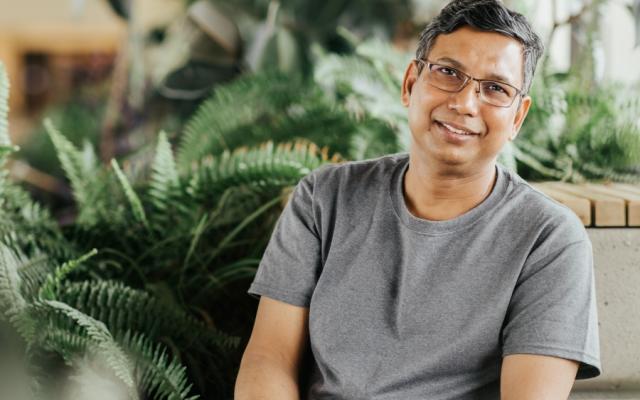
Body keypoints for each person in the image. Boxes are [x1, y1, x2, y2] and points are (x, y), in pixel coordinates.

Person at [235, 0, 602, 398]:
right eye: (448, 73)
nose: (464, 103)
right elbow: (268, 360)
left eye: (496, 88)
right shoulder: (324, 199)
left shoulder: (548, 239)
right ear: (411, 83)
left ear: (517, 117)